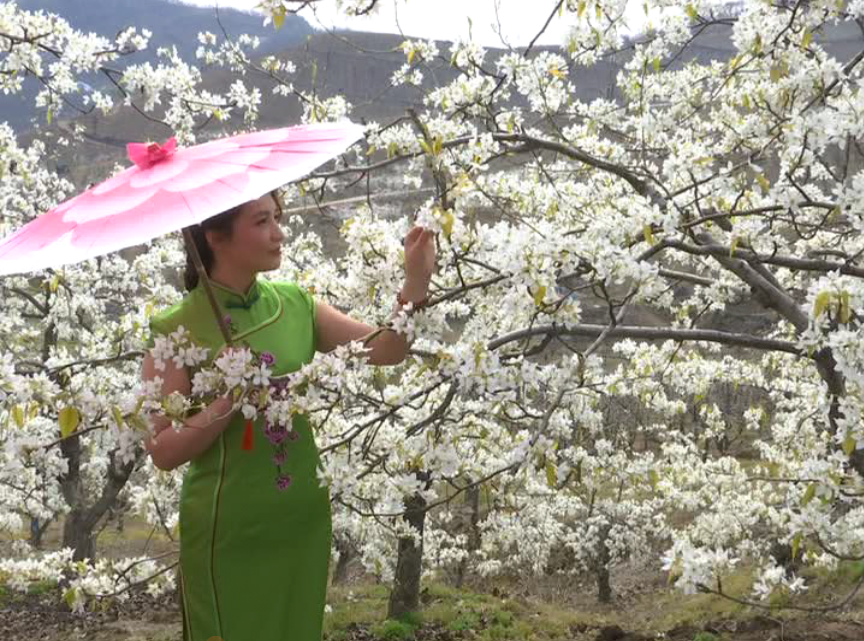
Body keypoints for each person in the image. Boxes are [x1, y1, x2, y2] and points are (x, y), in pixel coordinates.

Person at [140, 189, 436, 641]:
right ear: (215, 236)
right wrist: (228, 399)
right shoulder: (174, 330)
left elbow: (386, 349)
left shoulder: (294, 304)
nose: (279, 233)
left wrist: (415, 283)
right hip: (229, 527)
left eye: (277, 217)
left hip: (301, 517)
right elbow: (161, 448)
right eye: (262, 222)